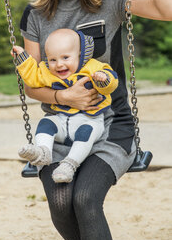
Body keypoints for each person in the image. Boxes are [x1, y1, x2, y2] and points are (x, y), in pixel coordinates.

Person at [19, 0, 172, 240]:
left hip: (112, 125)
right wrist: (64, 98)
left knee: (85, 199)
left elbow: (168, 10)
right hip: (60, 127)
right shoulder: (35, 15)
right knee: (61, 203)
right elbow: (32, 84)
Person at [12, 28, 118, 183]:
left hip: (89, 120)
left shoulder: (92, 68)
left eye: (65, 58)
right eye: (52, 60)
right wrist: (22, 58)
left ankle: (69, 164)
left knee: (86, 133)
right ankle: (43, 152)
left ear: (80, 55)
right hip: (60, 121)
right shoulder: (47, 71)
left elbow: (111, 84)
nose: (59, 65)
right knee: (46, 123)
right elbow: (33, 78)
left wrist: (103, 79)